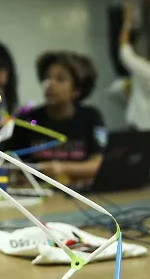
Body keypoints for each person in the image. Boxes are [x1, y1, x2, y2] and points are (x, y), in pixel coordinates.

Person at [6, 52, 105, 183]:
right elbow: (7, 162)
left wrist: (62, 168)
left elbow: (99, 164)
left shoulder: (91, 117)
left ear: (77, 90)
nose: (50, 84)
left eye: (60, 79)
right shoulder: (26, 119)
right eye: (47, 78)